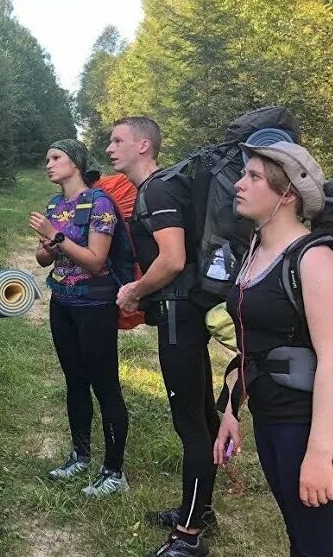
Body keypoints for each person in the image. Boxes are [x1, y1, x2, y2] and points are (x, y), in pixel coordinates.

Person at [215, 141, 333, 557]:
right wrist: (232, 408)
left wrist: (319, 455)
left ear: (288, 194)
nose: (239, 184)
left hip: (310, 425)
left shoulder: (316, 259)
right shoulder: (256, 252)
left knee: (320, 545)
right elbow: (253, 343)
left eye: (254, 177)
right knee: (301, 538)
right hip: (272, 418)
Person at [108, 117, 218, 557]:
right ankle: (199, 510)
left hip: (177, 314)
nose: (110, 147)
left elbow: (172, 260)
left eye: (119, 140)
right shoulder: (158, 188)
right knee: (201, 414)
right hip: (181, 314)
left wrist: (134, 290)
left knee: (190, 422)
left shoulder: (157, 189)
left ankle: (189, 535)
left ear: (143, 145)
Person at [29, 139, 130, 497]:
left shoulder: (100, 203)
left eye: (56, 158)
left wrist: (55, 235)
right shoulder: (55, 204)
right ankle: (81, 455)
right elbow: (45, 260)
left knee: (105, 386)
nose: (49, 164)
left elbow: (96, 260)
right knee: (75, 381)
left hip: (96, 305)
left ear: (76, 163)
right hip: (63, 302)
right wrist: (47, 245)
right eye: (47, 158)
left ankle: (115, 472)